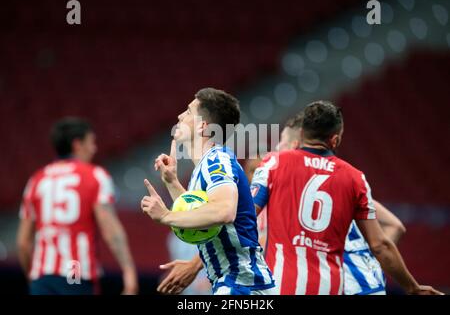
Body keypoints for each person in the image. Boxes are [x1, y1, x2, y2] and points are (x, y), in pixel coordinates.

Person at [250, 101, 442, 295]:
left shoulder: (274, 163)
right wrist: (412, 287)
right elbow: (380, 244)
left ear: (300, 135)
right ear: (335, 140)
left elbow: (246, 217)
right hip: (332, 286)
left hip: (284, 283)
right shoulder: (354, 178)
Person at [140, 87, 275, 295]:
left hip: (242, 285)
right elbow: (199, 227)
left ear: (203, 126)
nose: (179, 116)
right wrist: (171, 181)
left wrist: (166, 215)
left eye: (188, 111)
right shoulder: (206, 165)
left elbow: (223, 212)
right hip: (234, 283)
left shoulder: (217, 161)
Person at [268, 112, 406, 295]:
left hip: (343, 285)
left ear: (295, 144)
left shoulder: (286, 183)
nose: (277, 147)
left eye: (282, 142)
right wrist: (365, 260)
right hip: (367, 282)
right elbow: (396, 226)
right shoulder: (347, 182)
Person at [17, 117, 138, 295]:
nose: (94, 148)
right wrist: (129, 272)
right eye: (91, 142)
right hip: (76, 273)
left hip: (42, 276)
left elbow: (22, 243)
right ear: (77, 144)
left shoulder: (36, 180)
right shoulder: (95, 176)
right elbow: (111, 231)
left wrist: (34, 277)